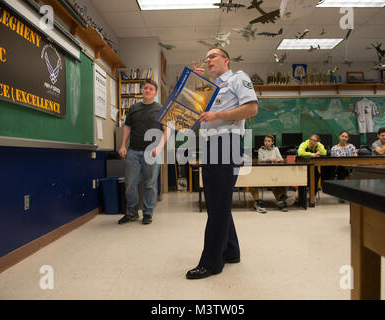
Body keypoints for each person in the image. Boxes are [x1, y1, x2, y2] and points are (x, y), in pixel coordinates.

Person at [186, 47, 258, 280]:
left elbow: (251, 108)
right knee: (219, 200)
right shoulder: (209, 87)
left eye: (212, 56)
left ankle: (211, 262)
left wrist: (217, 116)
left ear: (226, 60)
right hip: (211, 144)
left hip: (226, 143)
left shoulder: (238, 78)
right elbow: (191, 110)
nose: (208, 60)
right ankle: (231, 251)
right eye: (206, 57)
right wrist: (194, 83)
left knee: (217, 203)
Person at [117, 80, 169, 225]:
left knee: (150, 184)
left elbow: (166, 131)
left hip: (151, 153)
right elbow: (127, 127)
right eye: (145, 88)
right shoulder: (133, 108)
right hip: (133, 151)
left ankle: (148, 213)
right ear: (142, 90)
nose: (147, 90)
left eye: (151, 89)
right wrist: (123, 145)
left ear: (155, 93)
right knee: (130, 183)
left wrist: (158, 148)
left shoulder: (161, 109)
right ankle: (132, 213)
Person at [249, 135, 295, 213]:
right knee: (257, 180)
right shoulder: (261, 150)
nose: (266, 142)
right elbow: (260, 160)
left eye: (268, 141)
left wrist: (278, 160)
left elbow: (280, 159)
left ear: (272, 142)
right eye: (265, 141)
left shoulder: (275, 149)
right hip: (263, 172)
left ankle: (282, 199)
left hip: (274, 171)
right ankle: (281, 199)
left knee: (279, 180)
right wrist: (270, 159)